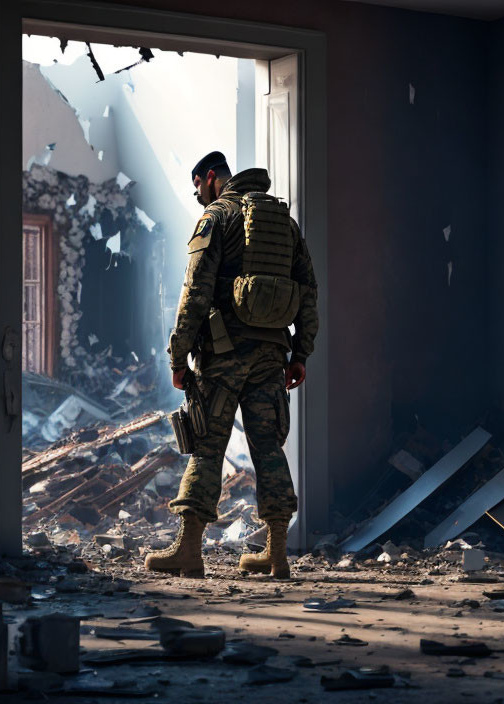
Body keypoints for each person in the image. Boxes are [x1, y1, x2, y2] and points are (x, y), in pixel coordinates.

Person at [144, 151, 318, 578]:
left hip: (222, 355)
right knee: (268, 447)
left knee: (207, 446)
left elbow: (196, 292)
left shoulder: (217, 218)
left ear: (209, 179)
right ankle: (276, 555)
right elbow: (309, 292)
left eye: (198, 189)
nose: (199, 197)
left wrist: (178, 354)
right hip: (271, 356)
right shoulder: (284, 224)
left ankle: (189, 551)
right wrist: (301, 354)